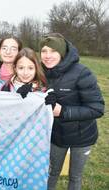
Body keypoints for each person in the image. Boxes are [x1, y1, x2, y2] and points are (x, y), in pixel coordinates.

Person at [40, 33, 105, 190]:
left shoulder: (82, 73)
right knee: (51, 172)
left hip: (82, 136)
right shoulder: (41, 72)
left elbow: (97, 108)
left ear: (62, 53)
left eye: (53, 51)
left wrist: (63, 112)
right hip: (55, 135)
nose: (48, 56)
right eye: (44, 51)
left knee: (75, 176)